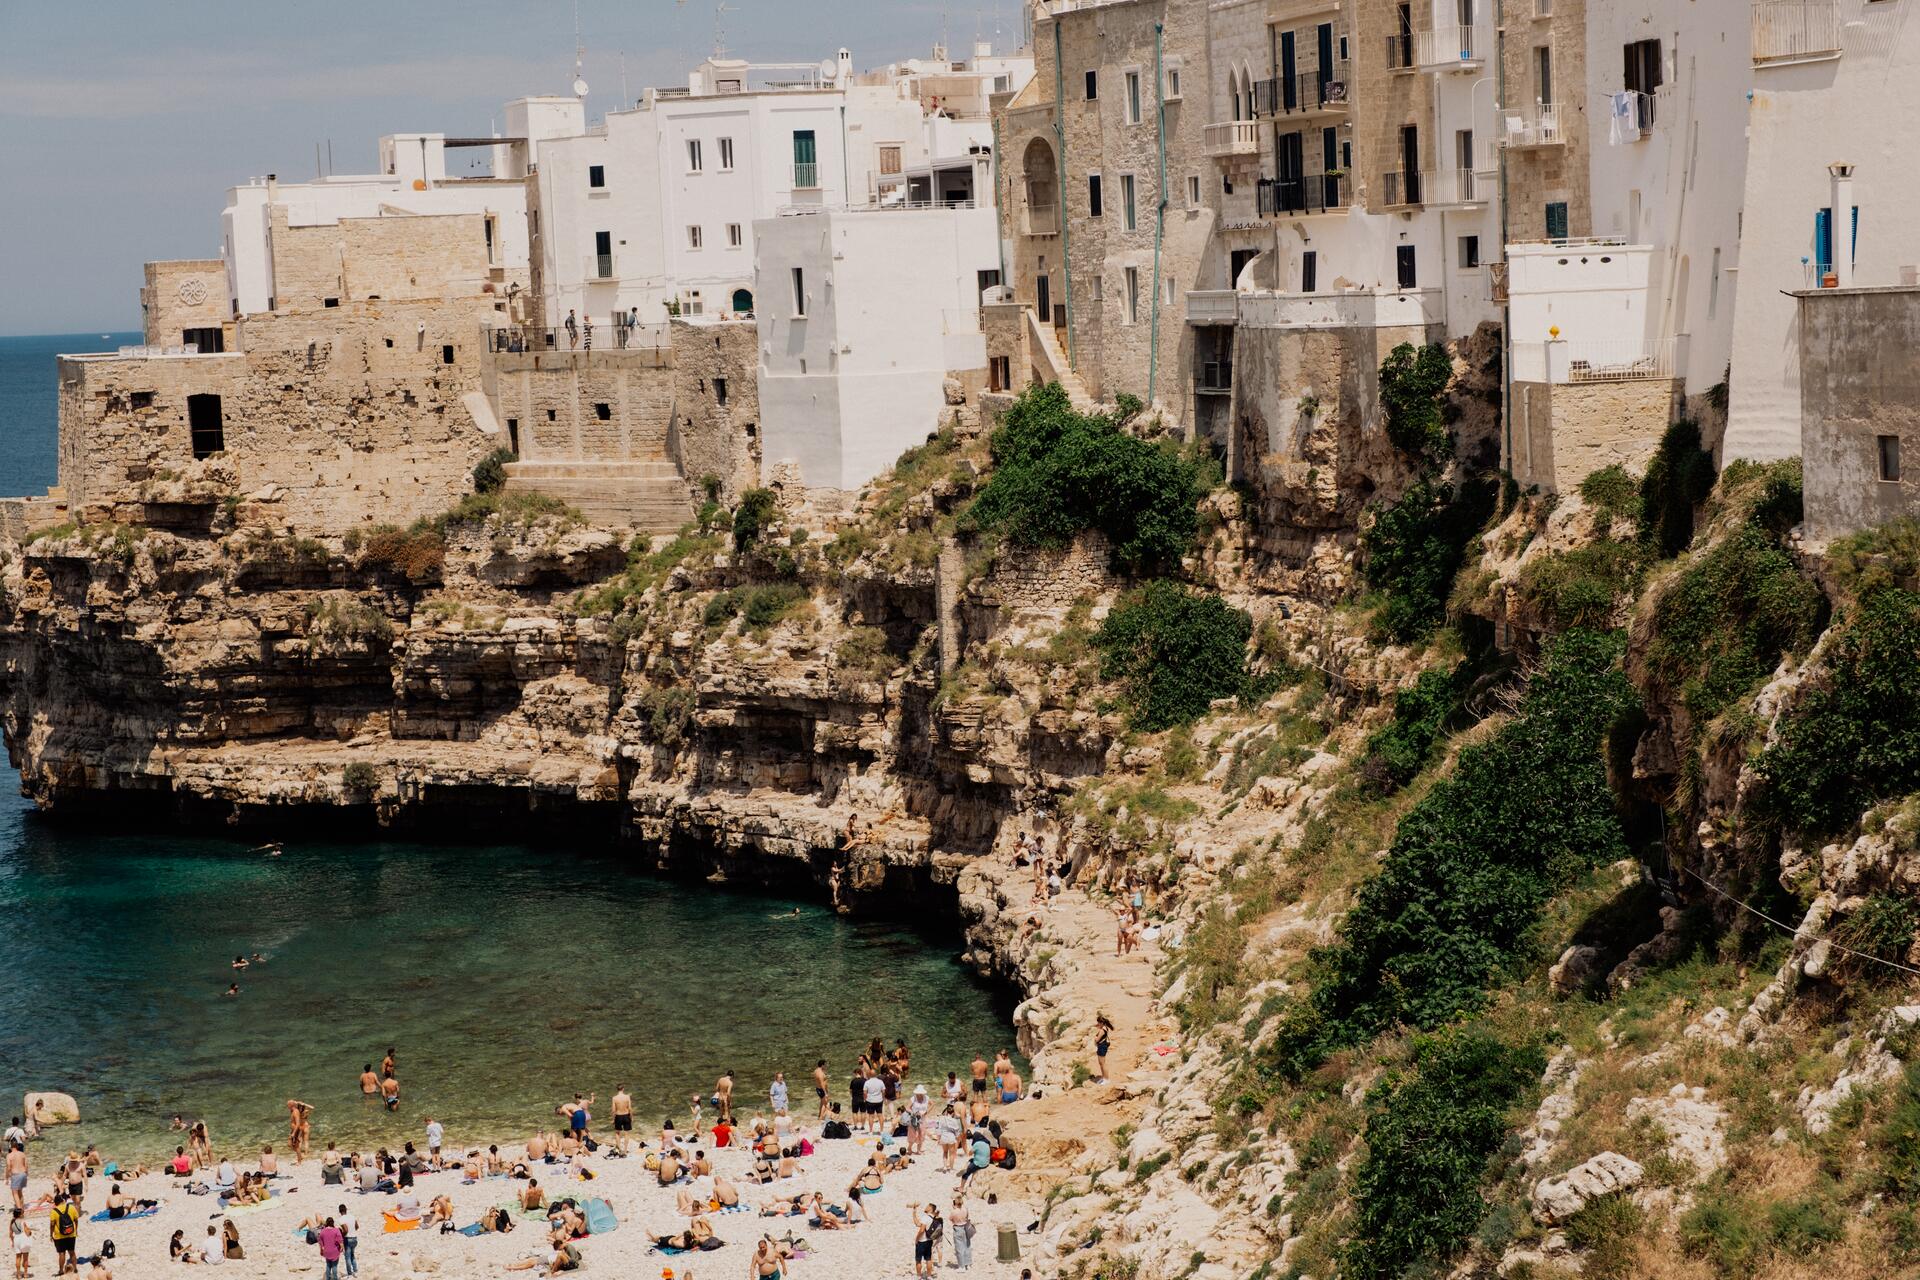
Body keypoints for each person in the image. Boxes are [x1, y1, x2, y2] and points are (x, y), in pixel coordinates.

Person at [47, 1192, 77, 1276]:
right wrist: (76, 1230)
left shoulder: (54, 1211)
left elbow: (52, 1225)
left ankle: (61, 1270)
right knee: (72, 1252)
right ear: (63, 1200)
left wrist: (51, 1234)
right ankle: (75, 1268)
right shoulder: (71, 1207)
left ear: (55, 1203)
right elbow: (76, 1219)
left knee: (61, 1253)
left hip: (59, 1236)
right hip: (71, 1234)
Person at [912, 1203, 940, 1278]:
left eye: (927, 1206)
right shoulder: (932, 1217)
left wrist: (917, 1239)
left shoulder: (925, 1217)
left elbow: (921, 1230)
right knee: (928, 1259)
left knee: (918, 1260)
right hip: (929, 1240)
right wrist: (914, 1213)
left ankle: (919, 1276)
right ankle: (929, 1276)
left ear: (930, 1209)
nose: (925, 1207)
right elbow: (918, 1224)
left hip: (922, 1241)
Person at [950, 1193, 974, 1269]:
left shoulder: (954, 1211)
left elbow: (951, 1219)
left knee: (959, 1248)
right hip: (965, 1227)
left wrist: (954, 1209)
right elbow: (967, 1216)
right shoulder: (965, 1209)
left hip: (958, 1228)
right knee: (967, 1245)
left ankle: (961, 1266)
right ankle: (968, 1264)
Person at [337, 1204, 359, 1276]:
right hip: (355, 1238)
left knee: (347, 1257)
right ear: (346, 1209)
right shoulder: (352, 1216)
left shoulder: (341, 1219)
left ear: (340, 1211)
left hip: (348, 1239)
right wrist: (352, 1230)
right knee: (352, 1255)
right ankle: (355, 1270)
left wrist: (342, 1235)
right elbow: (357, 1227)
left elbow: (345, 1230)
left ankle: (350, 1273)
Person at [10, 1207, 30, 1280]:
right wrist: (30, 1232)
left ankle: (18, 1274)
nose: (23, 1214)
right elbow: (27, 1233)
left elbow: (10, 1234)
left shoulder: (12, 1222)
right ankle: (25, 1274)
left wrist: (12, 1242)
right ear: (20, 1214)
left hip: (16, 1239)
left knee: (18, 1257)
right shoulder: (23, 1222)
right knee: (25, 1258)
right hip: (23, 1239)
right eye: (22, 1213)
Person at [1093, 1013, 1114, 1083]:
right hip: (1102, 1046)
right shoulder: (1105, 1027)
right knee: (1101, 1063)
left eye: (1098, 1022)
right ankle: (1103, 1078)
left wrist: (1095, 1037)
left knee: (1103, 1064)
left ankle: (1106, 1079)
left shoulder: (1102, 1030)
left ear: (1101, 1023)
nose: (1097, 1024)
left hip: (1102, 1046)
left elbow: (1097, 1040)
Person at [5, 1142, 24, 1211]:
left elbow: (8, 1167)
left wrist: (7, 1178)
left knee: (15, 1193)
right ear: (17, 1147)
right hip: (22, 1174)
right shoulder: (22, 1154)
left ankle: (19, 1211)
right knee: (20, 1193)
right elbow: (26, 1165)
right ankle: (22, 1208)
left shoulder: (9, 1155)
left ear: (10, 1147)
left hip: (15, 1175)